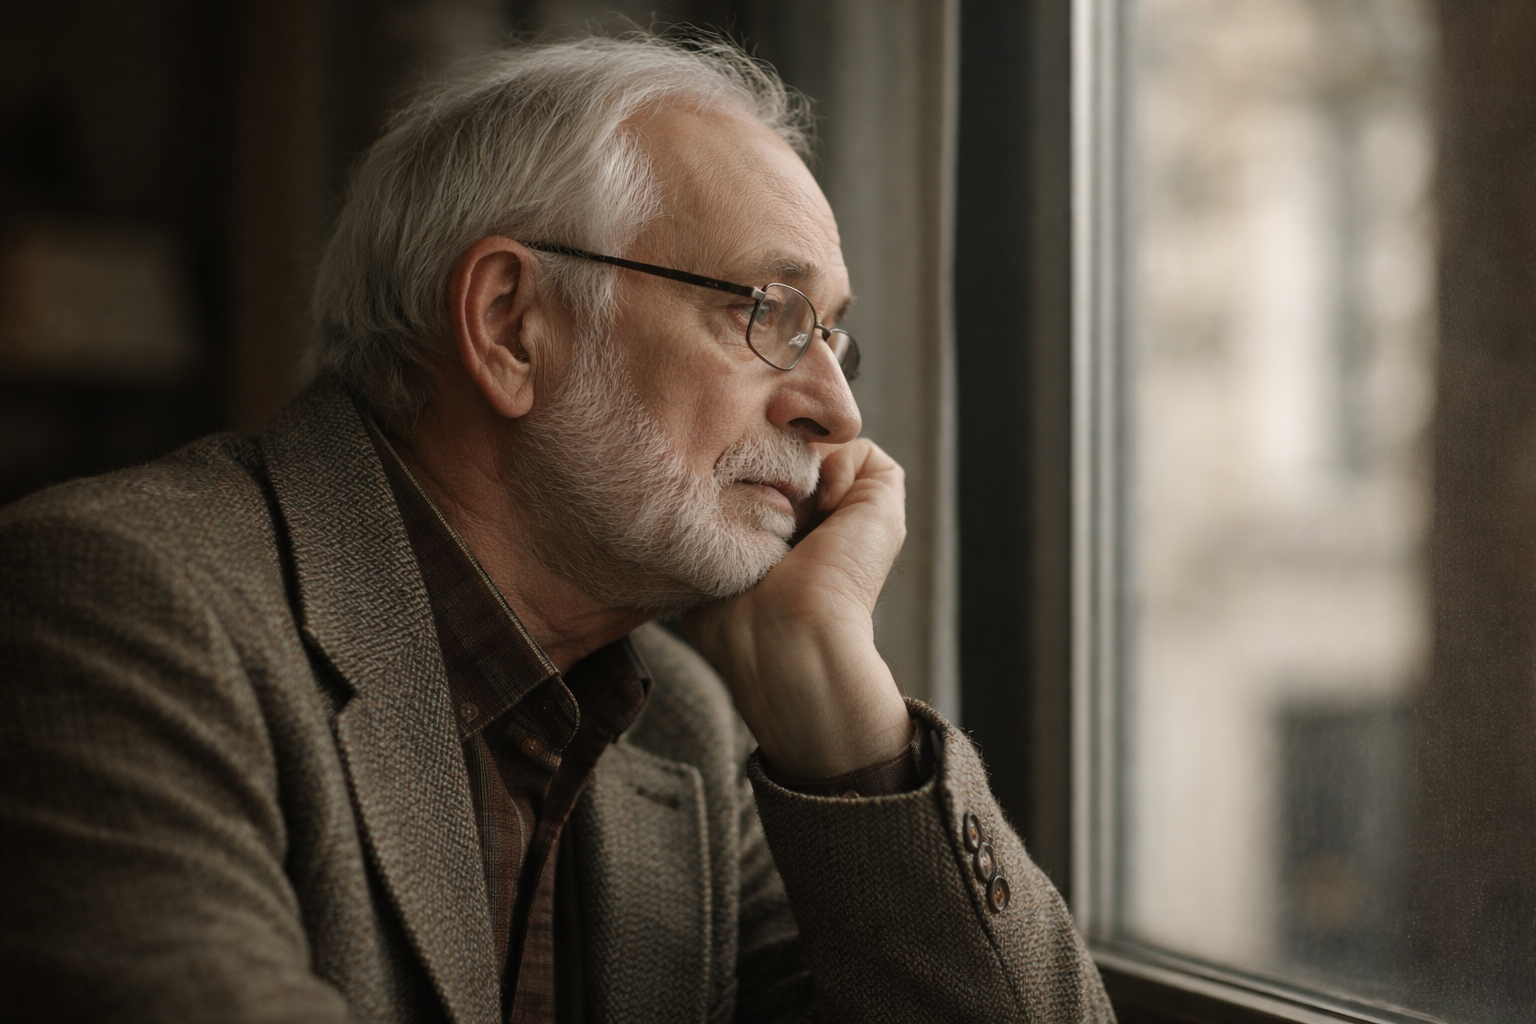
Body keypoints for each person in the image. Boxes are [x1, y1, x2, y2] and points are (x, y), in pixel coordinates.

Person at [0, 32, 1111, 1024]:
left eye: (834, 337)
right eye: (768, 314)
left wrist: (847, 722)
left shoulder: (686, 725)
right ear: (511, 326)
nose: (841, 411)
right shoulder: (113, 604)